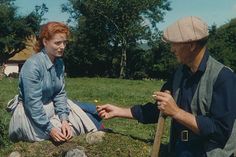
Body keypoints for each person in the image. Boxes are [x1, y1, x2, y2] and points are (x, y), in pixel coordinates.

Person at [97, 16, 236, 157]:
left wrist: (176, 112)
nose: (172, 49)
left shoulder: (223, 77)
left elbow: (220, 130)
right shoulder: (179, 74)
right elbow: (159, 109)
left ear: (191, 45)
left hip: (210, 153)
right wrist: (119, 111)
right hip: (181, 148)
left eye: (175, 44)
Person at [7, 21, 103, 142]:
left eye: (64, 42)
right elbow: (33, 105)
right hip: (31, 115)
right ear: (45, 42)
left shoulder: (59, 63)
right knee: (86, 121)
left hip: (51, 108)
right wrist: (50, 129)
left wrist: (64, 120)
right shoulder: (33, 65)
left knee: (94, 114)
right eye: (57, 43)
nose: (62, 47)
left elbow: (59, 93)